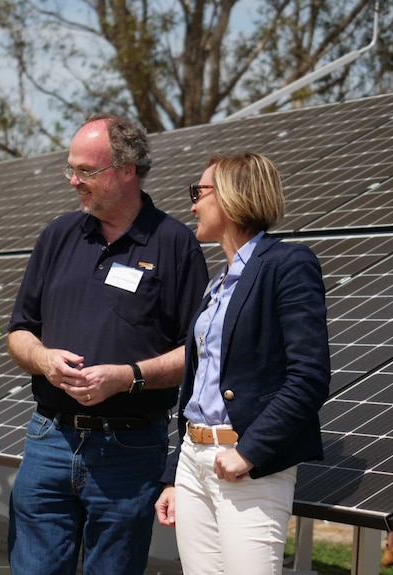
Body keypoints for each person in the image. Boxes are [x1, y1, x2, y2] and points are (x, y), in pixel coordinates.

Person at [6, 113, 209, 575]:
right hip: (48, 438)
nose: (74, 181)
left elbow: (197, 352)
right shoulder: (58, 235)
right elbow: (19, 333)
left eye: (87, 172)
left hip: (129, 450)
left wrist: (128, 378)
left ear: (127, 170)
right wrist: (42, 359)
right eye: (70, 169)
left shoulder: (176, 244)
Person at [154, 151, 330, 575]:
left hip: (248, 466)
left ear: (233, 196)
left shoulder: (288, 265)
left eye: (199, 192)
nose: (192, 204)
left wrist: (249, 452)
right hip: (195, 460)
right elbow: (198, 388)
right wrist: (176, 472)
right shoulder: (217, 282)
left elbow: (309, 376)